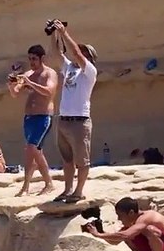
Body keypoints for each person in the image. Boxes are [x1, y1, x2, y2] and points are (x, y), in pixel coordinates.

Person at [49, 20, 99, 203]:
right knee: (67, 159)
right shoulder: (69, 68)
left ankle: (79, 191)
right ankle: (68, 189)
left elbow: (75, 52)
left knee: (82, 160)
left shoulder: (90, 71)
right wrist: (54, 33)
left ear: (89, 57)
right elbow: (56, 53)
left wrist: (64, 32)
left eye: (85, 53)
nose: (80, 54)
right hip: (64, 120)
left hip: (80, 121)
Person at [9, 45, 59, 195]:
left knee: (32, 148)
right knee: (32, 152)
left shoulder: (49, 73)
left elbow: (49, 92)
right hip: (29, 118)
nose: (31, 62)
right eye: (30, 58)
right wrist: (11, 84)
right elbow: (15, 93)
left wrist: (30, 83)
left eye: (34, 58)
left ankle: (49, 183)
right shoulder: (28, 74)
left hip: (43, 117)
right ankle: (26, 186)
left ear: (42, 58)